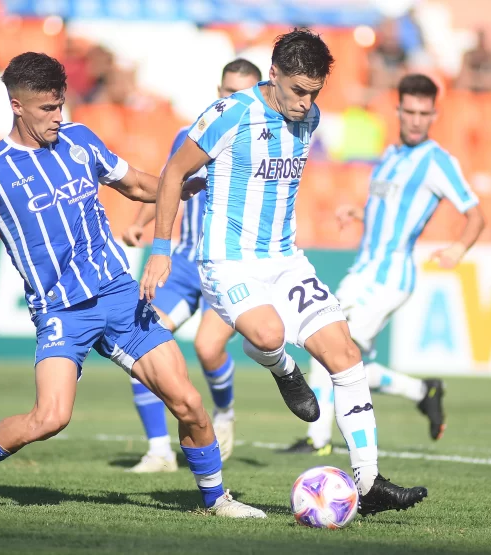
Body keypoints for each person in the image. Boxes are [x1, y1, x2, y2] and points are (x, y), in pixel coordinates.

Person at [0, 52, 265, 519]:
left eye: (61, 106)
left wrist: (180, 185)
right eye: (46, 110)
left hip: (119, 295)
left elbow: (137, 184)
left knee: (190, 403)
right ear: (17, 106)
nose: (58, 118)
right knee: (49, 418)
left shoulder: (80, 142)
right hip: (61, 312)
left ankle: (218, 500)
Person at [140, 28, 428, 516]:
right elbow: (172, 172)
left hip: (286, 259)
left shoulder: (309, 116)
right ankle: (283, 368)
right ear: (273, 74)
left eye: (314, 92)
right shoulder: (229, 114)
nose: (305, 103)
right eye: (298, 90)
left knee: (345, 352)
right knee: (267, 333)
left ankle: (370, 480)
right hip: (228, 260)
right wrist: (161, 248)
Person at [282, 73, 486, 456]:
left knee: (330, 345)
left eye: (423, 113)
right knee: (345, 357)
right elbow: (388, 205)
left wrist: (458, 250)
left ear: (434, 115)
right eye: (408, 111)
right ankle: (423, 391)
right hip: (365, 269)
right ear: (398, 110)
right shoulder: (392, 155)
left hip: (389, 276)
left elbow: (475, 215)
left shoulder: (438, 161)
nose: (414, 120)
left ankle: (318, 441)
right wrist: (358, 212)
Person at [121, 59, 262, 472]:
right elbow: (170, 184)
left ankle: (225, 411)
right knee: (141, 343)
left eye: (241, 94)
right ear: (217, 90)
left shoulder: (263, 142)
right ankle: (160, 451)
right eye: (226, 92)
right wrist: (139, 225)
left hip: (231, 263)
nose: (231, 100)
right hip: (184, 264)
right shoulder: (192, 135)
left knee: (206, 348)